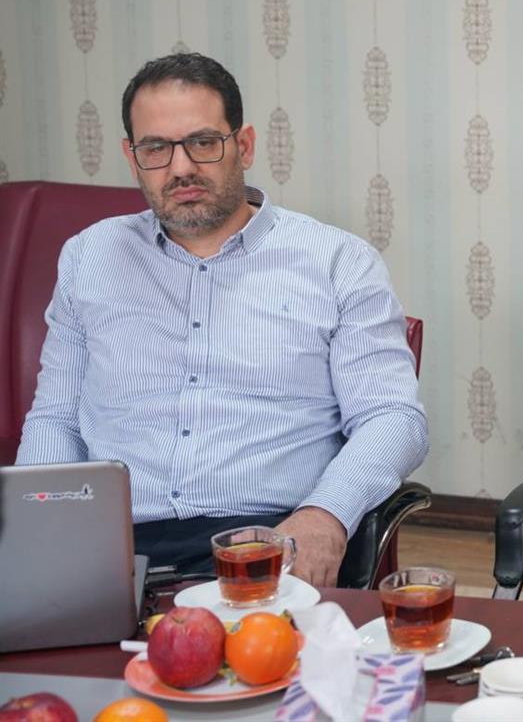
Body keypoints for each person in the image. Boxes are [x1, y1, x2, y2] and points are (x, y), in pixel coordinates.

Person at [17, 53, 429, 583]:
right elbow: (57, 418)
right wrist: (38, 532)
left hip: (267, 543)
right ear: (132, 157)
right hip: (114, 549)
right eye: (156, 148)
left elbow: (393, 418)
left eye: (203, 142)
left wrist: (325, 514)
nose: (180, 168)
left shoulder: (338, 262)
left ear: (244, 145)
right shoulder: (88, 257)